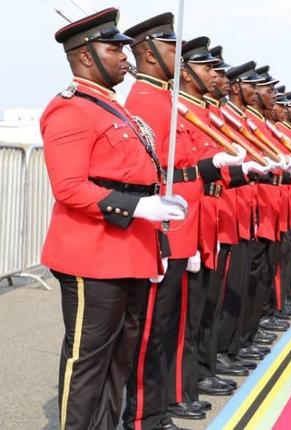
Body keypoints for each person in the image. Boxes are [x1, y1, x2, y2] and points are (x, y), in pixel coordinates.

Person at [43, 8, 185, 429]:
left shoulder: (113, 108)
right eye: (115, 48)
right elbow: (68, 186)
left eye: (125, 48)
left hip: (130, 252)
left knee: (118, 361)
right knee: (87, 362)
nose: (126, 56)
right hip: (93, 254)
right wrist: (138, 207)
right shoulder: (71, 109)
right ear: (86, 56)